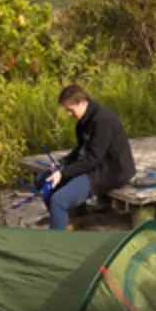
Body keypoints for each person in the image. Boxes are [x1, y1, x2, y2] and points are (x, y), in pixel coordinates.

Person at [44, 85, 135, 230]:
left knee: (58, 201)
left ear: (82, 102)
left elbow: (93, 158)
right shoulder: (83, 120)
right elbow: (81, 148)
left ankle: (56, 242)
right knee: (42, 180)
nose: (69, 114)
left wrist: (63, 173)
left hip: (112, 171)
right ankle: (65, 222)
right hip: (93, 165)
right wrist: (63, 163)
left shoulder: (103, 120)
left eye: (70, 109)